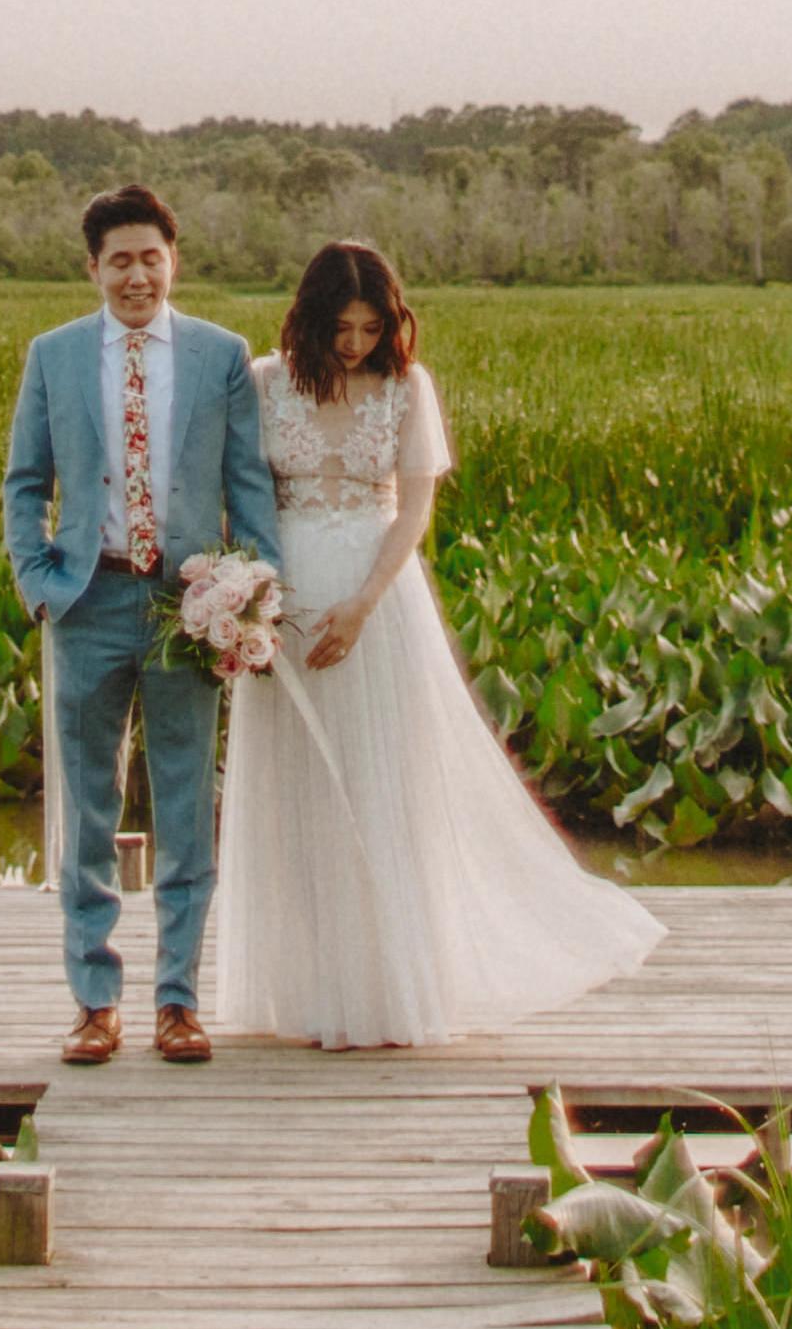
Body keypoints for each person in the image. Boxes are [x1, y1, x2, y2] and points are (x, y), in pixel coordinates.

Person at [207, 238, 663, 1048]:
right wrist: (244, 596)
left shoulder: (407, 387)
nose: (356, 342)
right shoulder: (266, 380)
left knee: (386, 785)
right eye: (341, 327)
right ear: (311, 318)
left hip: (378, 599)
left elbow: (414, 509)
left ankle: (387, 989)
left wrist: (362, 605)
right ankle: (309, 992)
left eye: (370, 326)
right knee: (296, 792)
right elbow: (237, 492)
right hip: (285, 598)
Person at [0, 181, 277, 1065]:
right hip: (87, 602)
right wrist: (41, 583)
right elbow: (24, 483)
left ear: (172, 261)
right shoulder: (53, 355)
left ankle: (177, 1001)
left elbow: (248, 486)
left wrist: (252, 590)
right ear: (93, 267)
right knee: (88, 808)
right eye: (119, 260)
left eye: (151, 258)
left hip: (187, 608)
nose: (136, 276)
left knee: (186, 807)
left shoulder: (219, 354)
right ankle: (95, 1001)